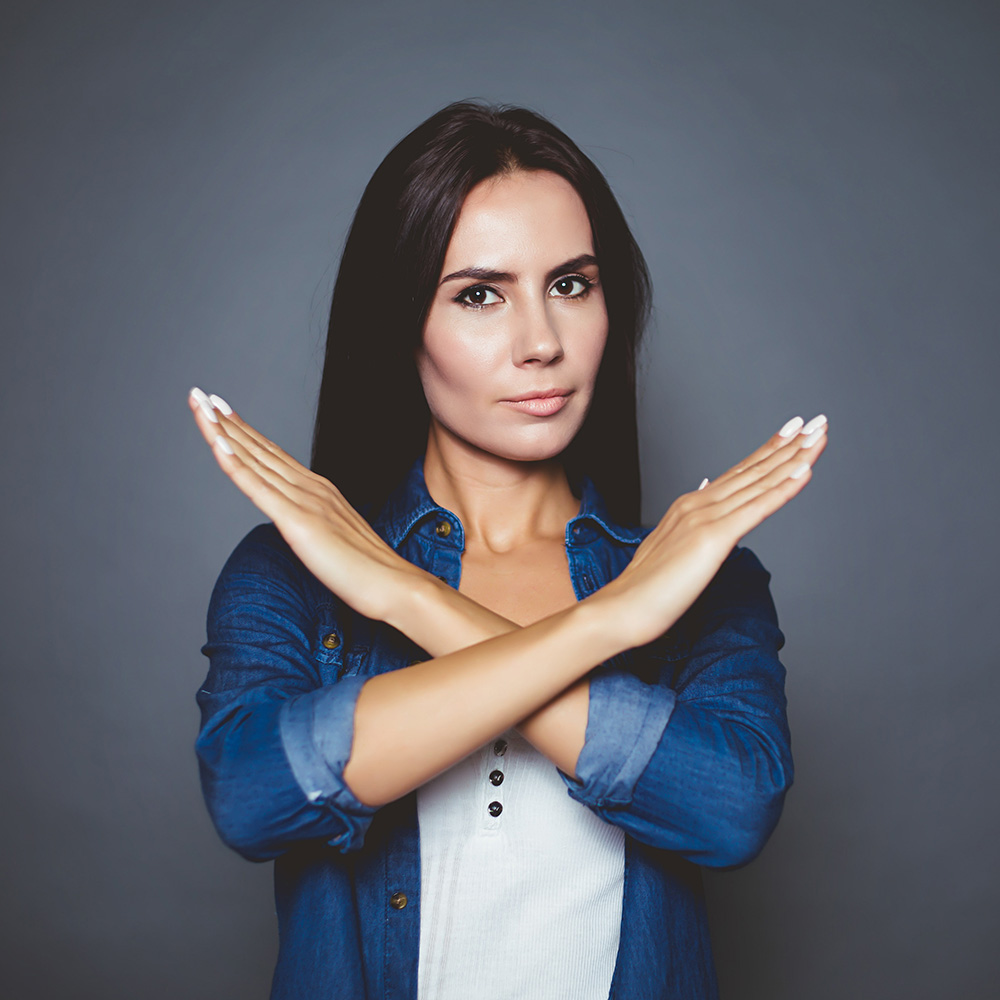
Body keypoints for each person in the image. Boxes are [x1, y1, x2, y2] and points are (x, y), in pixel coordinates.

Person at [189, 101, 828, 1000]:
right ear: (400, 320)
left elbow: (730, 809)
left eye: (572, 284)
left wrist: (413, 601)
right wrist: (608, 625)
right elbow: (254, 797)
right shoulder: (290, 576)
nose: (543, 344)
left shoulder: (703, 583)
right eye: (480, 294)